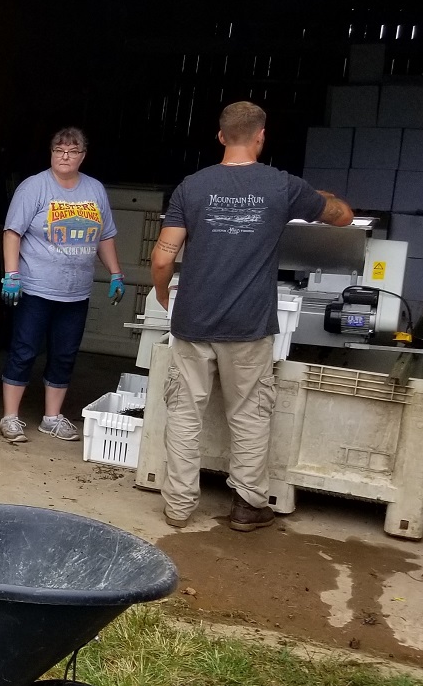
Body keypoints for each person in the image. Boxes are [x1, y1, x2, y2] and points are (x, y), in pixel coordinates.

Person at [150, 101, 353, 531]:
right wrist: (324, 199)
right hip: (248, 324)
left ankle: (179, 507)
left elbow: (162, 256)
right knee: (249, 414)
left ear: (221, 137)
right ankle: (246, 505)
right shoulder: (282, 187)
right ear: (261, 136)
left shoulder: (193, 186)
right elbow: (343, 218)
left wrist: (163, 291)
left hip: (194, 320)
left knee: (186, 413)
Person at [0, 127, 124, 443]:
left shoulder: (94, 190)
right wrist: (11, 275)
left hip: (76, 292)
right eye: (59, 150)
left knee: (65, 354)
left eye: (72, 150)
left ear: (83, 155)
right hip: (36, 289)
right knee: (24, 350)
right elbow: (12, 232)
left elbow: (105, 235)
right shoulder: (34, 188)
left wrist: (116, 273)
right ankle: (10, 417)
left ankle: (51, 418)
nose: (65, 156)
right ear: (51, 153)